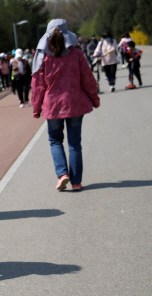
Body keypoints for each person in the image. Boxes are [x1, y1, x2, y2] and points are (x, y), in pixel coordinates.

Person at [31, 19, 100, 192]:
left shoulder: (42, 56)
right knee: (75, 143)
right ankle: (76, 182)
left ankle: (62, 174)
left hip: (52, 105)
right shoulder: (76, 53)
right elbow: (88, 79)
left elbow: (38, 85)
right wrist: (94, 99)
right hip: (75, 103)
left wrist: (36, 107)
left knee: (55, 141)